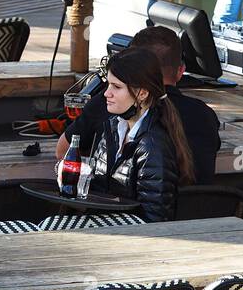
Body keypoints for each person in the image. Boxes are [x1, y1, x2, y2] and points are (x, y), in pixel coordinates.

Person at [57, 26, 221, 184]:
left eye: (116, 86)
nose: (108, 93)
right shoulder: (204, 113)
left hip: (135, 209)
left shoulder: (113, 105)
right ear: (180, 70)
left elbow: (63, 151)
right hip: (200, 211)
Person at [84, 48, 195, 222]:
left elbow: (155, 220)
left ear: (142, 93)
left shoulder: (152, 146)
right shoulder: (114, 128)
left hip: (129, 240)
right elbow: (98, 194)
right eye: (108, 84)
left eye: (117, 87)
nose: (106, 93)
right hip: (103, 227)